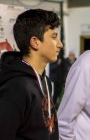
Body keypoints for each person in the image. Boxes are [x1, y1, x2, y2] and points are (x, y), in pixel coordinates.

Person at [0, 9, 63, 140]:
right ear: (35, 42)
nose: (60, 44)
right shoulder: (16, 87)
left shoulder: (44, 80)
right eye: (54, 37)